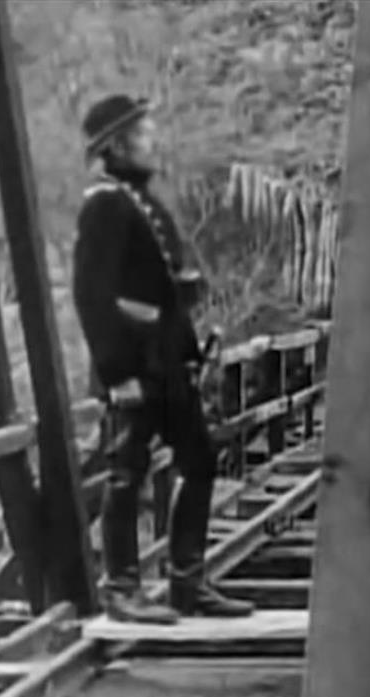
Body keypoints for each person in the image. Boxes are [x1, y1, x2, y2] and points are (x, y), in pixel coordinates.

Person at [72, 94, 255, 623]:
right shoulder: (105, 203)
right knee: (126, 471)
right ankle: (122, 588)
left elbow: (149, 287)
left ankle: (186, 583)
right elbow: (92, 295)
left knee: (198, 460)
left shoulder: (138, 201)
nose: (154, 144)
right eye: (145, 136)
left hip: (166, 364)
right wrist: (117, 374)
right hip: (134, 367)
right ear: (119, 144)